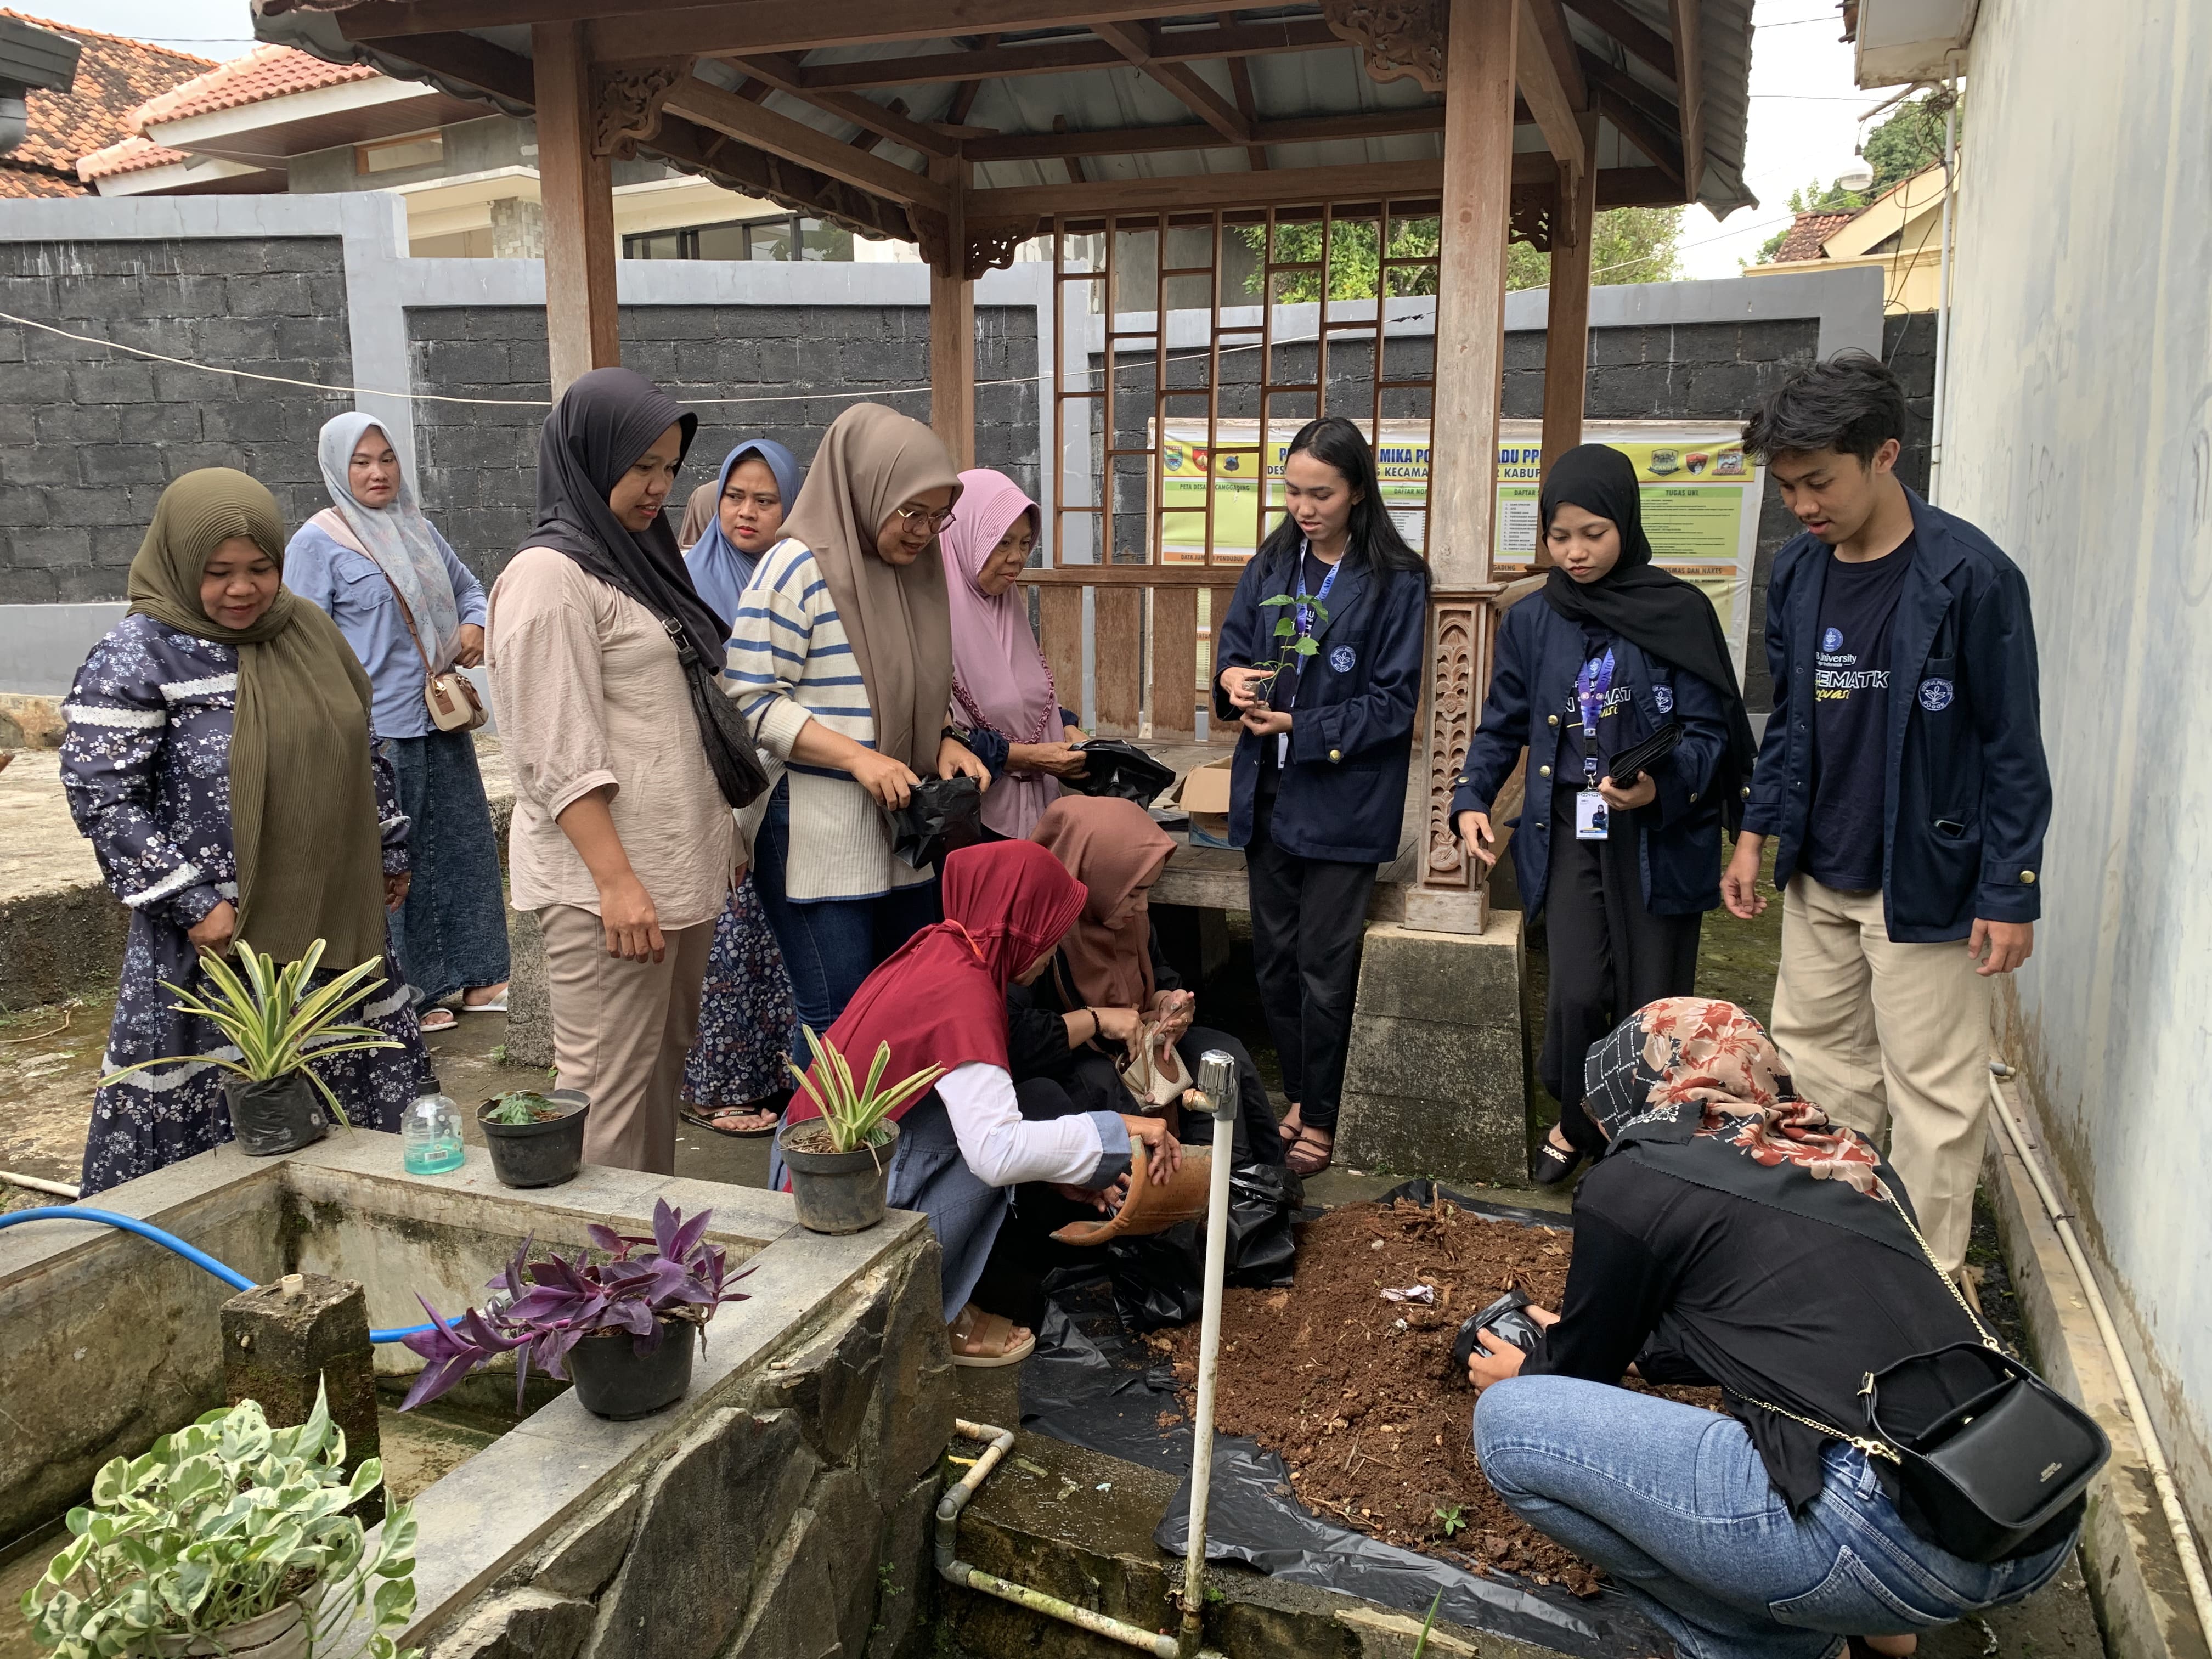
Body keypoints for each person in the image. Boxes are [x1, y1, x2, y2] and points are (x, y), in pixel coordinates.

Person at [1465, 998, 2080, 1659]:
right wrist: (1638, 1355)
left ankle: (1782, 1644)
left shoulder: (1639, 1176)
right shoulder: (1843, 1154)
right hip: (2029, 1510)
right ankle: (1883, 1626)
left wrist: (1523, 1373)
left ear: (1642, 1083)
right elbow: (1783, 1324)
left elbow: (1575, 1377)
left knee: (1510, 1426)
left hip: (1879, 1534)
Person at [1724, 351, 2051, 1278]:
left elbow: (2010, 747)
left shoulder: (1973, 577)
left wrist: (2010, 887)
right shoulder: (1798, 574)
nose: (1800, 503)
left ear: (1884, 455)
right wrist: (1756, 830)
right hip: (1819, 868)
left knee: (1935, 1101)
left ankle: (1931, 1298)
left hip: (1927, 879)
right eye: (1786, 485)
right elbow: (1789, 716)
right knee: (1819, 1076)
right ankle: (1833, 1274)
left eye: (1816, 480)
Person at [62, 469, 435, 1194]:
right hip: (215, 947)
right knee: (215, 1149)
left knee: (349, 1116)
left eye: (260, 568)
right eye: (218, 572)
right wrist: (192, 902)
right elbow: (102, 794)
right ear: (178, 564)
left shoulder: (308, 631)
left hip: (332, 929)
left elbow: (362, 746)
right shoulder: (140, 656)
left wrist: (388, 846)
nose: (243, 590)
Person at [1452, 443, 1757, 1184]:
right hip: (1572, 826)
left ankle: (1642, 1147)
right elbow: (1502, 720)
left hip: (1657, 830)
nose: (1576, 551)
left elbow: (1713, 733)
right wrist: (1471, 796)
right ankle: (1577, 1117)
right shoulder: (1534, 619)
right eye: (1560, 536)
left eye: (1593, 532)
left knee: (1653, 996)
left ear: (1626, 521)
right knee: (1580, 988)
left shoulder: (1677, 612)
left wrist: (1661, 786)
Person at [487, 367, 760, 1176]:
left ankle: (650, 1270)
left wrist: (721, 837)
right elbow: (553, 750)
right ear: (588, 455)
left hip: (671, 874)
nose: (658, 486)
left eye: (671, 468)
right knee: (604, 1089)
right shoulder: (549, 577)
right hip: (608, 886)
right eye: (641, 465)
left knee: (655, 1073)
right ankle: (595, 1292)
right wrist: (615, 880)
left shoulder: (629, 563)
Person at [774, 840, 1182, 1364]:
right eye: (1050, 936)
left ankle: (943, 1298)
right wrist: (1120, 1130)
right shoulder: (966, 995)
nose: (1052, 951)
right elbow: (996, 1152)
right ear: (1023, 927)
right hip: (842, 1202)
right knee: (1004, 1159)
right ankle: (918, 1311)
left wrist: (1062, 1165)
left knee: (1032, 1107)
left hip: (818, 1171)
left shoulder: (940, 945)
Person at [727, 403, 990, 1041]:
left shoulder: (914, 575)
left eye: (937, 516)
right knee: (836, 1020)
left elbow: (912, 686)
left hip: (902, 827)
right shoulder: (796, 567)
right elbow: (752, 700)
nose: (925, 531)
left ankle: (885, 1143)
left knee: (903, 1010)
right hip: (817, 829)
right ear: (867, 488)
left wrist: (944, 739)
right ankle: (811, 1144)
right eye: (911, 511)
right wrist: (856, 757)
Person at [1212, 415, 1429, 1176]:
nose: (1305, 508)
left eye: (1322, 494)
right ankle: (1300, 1093)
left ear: (1359, 493)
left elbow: (1396, 703)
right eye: (1294, 491)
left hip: (1344, 798)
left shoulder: (1398, 579)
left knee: (1323, 965)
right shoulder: (1275, 562)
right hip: (1269, 790)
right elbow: (1235, 648)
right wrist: (1232, 680)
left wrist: (1301, 723)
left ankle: (1321, 1109)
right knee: (1272, 958)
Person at [287, 414, 510, 1034]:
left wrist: (474, 626)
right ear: (336, 468)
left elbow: (472, 590)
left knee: (460, 849)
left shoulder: (419, 530)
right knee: (394, 862)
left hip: (441, 720)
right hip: (375, 730)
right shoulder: (317, 544)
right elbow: (304, 642)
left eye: (386, 458)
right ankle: (411, 989)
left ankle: (479, 974)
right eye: (362, 462)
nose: (379, 472)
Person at [1020, 795, 1284, 1163]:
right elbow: (1019, 1039)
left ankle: (1228, 1180)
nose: (1143, 907)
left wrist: (1168, 1006)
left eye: (1148, 891)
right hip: (1072, 1059)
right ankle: (1162, 1198)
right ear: (1095, 876)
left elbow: (1158, 970)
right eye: (1133, 893)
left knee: (1223, 1059)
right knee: (1105, 1087)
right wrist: (1098, 1020)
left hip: (1144, 1044)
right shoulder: (1035, 935)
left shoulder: (1129, 916)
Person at [675, 438, 806, 1138]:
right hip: (714, 779)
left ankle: (779, 1083)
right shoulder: (684, 577)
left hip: (783, 778)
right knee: (726, 938)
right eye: (735, 497)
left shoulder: (806, 578)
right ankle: (715, 1087)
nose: (747, 512)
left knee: (777, 939)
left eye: (766, 500)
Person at [939, 468, 1088, 837]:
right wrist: (1031, 757)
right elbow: (940, 736)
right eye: (1002, 543)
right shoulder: (932, 620)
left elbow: (1028, 693)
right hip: (972, 819)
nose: (1017, 558)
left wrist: (1066, 724)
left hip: (1038, 812)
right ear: (966, 536)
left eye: (1024, 544)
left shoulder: (1007, 607)